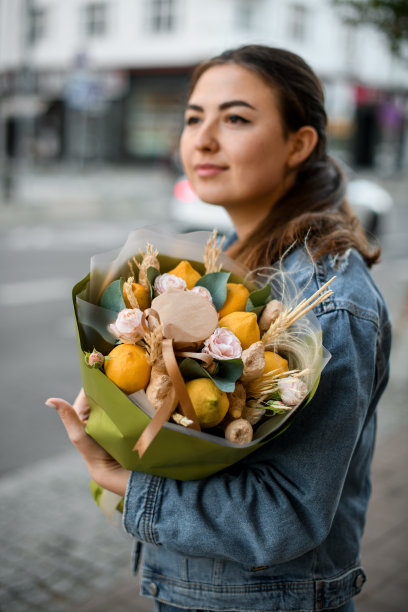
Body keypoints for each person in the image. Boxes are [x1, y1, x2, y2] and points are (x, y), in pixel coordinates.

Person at [46, 45, 391, 612]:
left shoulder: (324, 301)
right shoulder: (228, 264)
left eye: (235, 118)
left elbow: (288, 514)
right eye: (192, 118)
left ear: (298, 144)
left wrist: (124, 482)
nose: (202, 140)